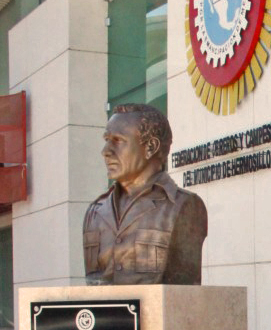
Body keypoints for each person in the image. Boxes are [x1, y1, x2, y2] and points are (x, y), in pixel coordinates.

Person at [83, 104, 207, 284]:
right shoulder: (95, 213)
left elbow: (184, 296)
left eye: (118, 141)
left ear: (151, 146)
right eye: (106, 140)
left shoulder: (184, 206)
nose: (105, 152)